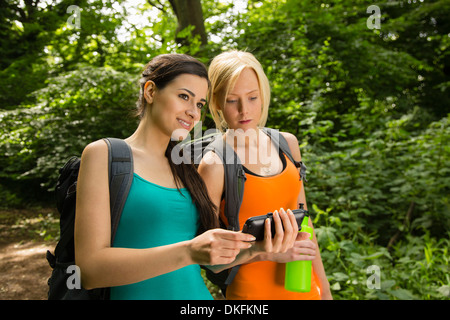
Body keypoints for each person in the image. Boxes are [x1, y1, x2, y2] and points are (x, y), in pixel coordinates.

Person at [74, 53, 256, 300]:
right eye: (184, 97)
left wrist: (262, 248)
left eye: (200, 104)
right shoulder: (105, 155)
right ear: (150, 92)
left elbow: (211, 261)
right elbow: (90, 270)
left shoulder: (187, 168)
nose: (193, 112)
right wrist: (189, 251)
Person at [198, 50, 332, 300]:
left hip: (305, 288)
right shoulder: (214, 164)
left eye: (252, 97)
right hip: (251, 294)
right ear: (215, 102)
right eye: (231, 100)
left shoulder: (288, 145)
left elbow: (305, 224)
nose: (243, 110)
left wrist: (325, 290)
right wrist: (266, 251)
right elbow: (207, 259)